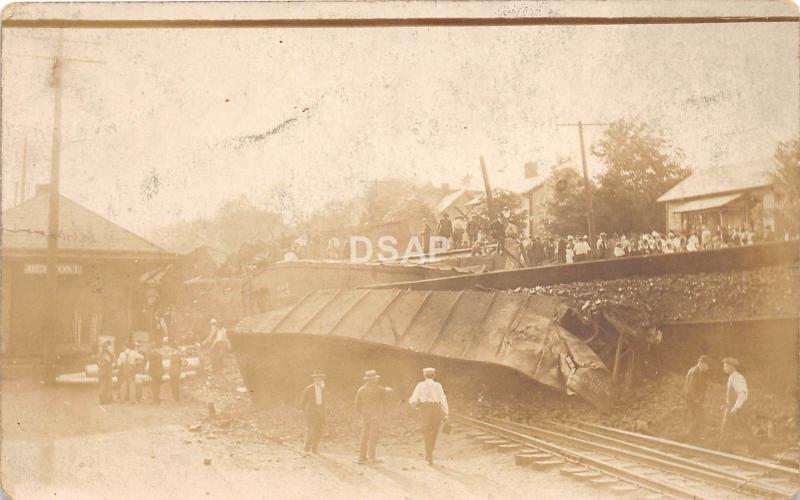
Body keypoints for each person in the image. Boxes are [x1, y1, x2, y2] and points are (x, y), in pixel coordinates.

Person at [408, 367, 449, 466]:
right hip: (436, 409)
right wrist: (446, 413)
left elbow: (413, 398)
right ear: (434, 375)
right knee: (434, 431)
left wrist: (414, 404)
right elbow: (443, 399)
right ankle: (429, 452)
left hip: (425, 410)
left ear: (424, 375)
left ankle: (428, 453)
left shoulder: (420, 385)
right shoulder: (438, 385)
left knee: (426, 431)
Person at [718, 357, 758, 454]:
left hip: (737, 409)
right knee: (728, 428)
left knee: (743, 428)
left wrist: (736, 407)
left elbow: (742, 393)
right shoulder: (732, 377)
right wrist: (727, 404)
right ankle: (724, 450)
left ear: (731, 367)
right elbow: (731, 394)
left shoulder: (738, 378)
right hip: (731, 407)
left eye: (725, 366)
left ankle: (755, 449)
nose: (724, 368)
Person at [355, 370, 393, 464]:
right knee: (373, 435)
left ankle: (361, 457)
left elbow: (357, 405)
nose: (377, 379)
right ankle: (372, 457)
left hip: (365, 416)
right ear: (372, 380)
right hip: (375, 415)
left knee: (364, 435)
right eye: (375, 378)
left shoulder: (361, 389)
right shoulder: (379, 389)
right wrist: (388, 389)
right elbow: (389, 394)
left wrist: (363, 413)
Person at [683, 355, 711, 440]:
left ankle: (693, 435)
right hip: (691, 397)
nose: (708, 368)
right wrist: (696, 399)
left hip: (692, 397)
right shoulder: (695, 372)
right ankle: (692, 434)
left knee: (696, 415)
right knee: (699, 415)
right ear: (702, 363)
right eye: (707, 366)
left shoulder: (697, 370)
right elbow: (691, 386)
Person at [301, 371, 327, 455]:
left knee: (318, 430)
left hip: (320, 411)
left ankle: (314, 449)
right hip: (311, 412)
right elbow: (303, 402)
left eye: (320, 378)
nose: (319, 380)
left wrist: (323, 412)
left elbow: (323, 402)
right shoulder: (309, 389)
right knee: (310, 430)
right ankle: (306, 449)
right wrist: (306, 411)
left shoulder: (322, 388)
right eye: (317, 378)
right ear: (314, 379)